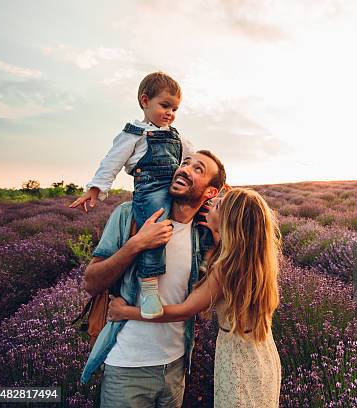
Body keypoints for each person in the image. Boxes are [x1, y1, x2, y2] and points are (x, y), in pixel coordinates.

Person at [108, 188, 282, 407]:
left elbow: (184, 310)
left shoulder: (225, 270)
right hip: (263, 355)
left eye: (219, 206)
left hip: (238, 361)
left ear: (230, 222)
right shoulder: (256, 263)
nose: (212, 202)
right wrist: (217, 232)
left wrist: (126, 312)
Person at [79, 151, 227, 408]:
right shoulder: (129, 215)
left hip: (176, 367)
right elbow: (91, 283)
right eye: (184, 163)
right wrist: (136, 244)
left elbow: (201, 308)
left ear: (211, 192)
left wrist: (214, 250)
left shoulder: (201, 235)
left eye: (198, 169)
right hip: (127, 366)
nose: (185, 169)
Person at [70, 71, 194, 319]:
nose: (170, 113)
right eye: (165, 105)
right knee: (156, 229)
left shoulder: (177, 135)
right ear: (145, 101)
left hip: (174, 187)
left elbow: (193, 160)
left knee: (204, 216)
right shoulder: (134, 133)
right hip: (151, 190)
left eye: (175, 108)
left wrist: (219, 183)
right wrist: (95, 189)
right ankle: (149, 287)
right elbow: (112, 161)